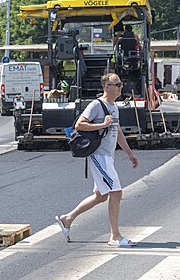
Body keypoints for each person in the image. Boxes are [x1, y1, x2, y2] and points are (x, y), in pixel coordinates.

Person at [55, 73, 139, 247]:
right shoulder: (96, 105)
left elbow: (118, 131)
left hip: (108, 156)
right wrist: (102, 124)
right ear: (106, 86)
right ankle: (115, 236)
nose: (120, 87)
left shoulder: (114, 107)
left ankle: (67, 219)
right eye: (117, 84)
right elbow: (80, 125)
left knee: (101, 196)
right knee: (116, 192)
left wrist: (129, 153)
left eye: (120, 84)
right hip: (98, 156)